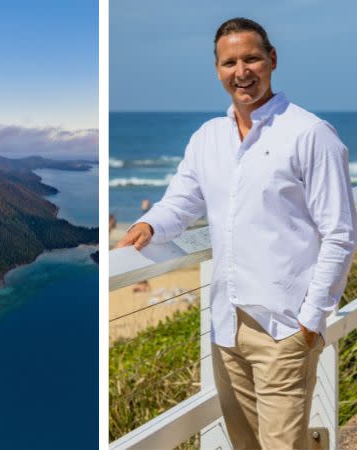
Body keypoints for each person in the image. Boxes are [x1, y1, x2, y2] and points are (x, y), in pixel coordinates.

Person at [116, 17, 356, 449]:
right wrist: (149, 224)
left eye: (251, 58)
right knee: (245, 445)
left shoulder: (310, 134)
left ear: (272, 60)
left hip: (285, 326)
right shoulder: (208, 138)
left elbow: (339, 234)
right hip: (226, 327)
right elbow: (182, 200)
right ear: (217, 69)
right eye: (230, 62)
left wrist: (311, 321)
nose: (241, 71)